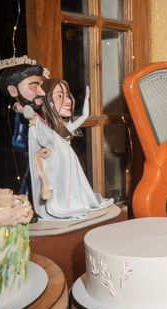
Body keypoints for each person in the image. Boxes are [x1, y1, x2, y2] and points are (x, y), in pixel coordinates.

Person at [23, 78, 113, 220]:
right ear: (47, 100)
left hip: (70, 162)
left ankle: (73, 202)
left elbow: (84, 116)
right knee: (61, 187)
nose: (68, 100)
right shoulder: (45, 128)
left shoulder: (65, 128)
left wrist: (87, 99)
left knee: (73, 186)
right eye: (60, 96)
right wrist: (29, 114)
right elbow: (38, 129)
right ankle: (62, 203)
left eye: (67, 95)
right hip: (57, 164)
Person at [0, 63, 46, 195]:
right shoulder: (22, 113)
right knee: (32, 186)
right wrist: (37, 146)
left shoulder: (41, 110)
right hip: (36, 161)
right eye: (34, 86)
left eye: (41, 86)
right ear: (13, 91)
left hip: (49, 162)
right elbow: (17, 142)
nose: (42, 92)